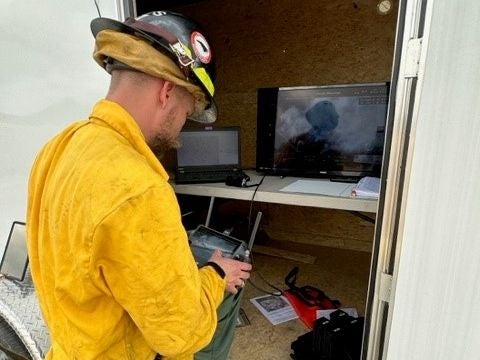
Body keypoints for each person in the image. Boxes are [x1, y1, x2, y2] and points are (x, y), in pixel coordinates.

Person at [26, 10, 252, 360]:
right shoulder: (140, 190)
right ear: (166, 92)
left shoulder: (57, 148)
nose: (182, 128)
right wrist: (216, 275)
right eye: (186, 110)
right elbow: (180, 334)